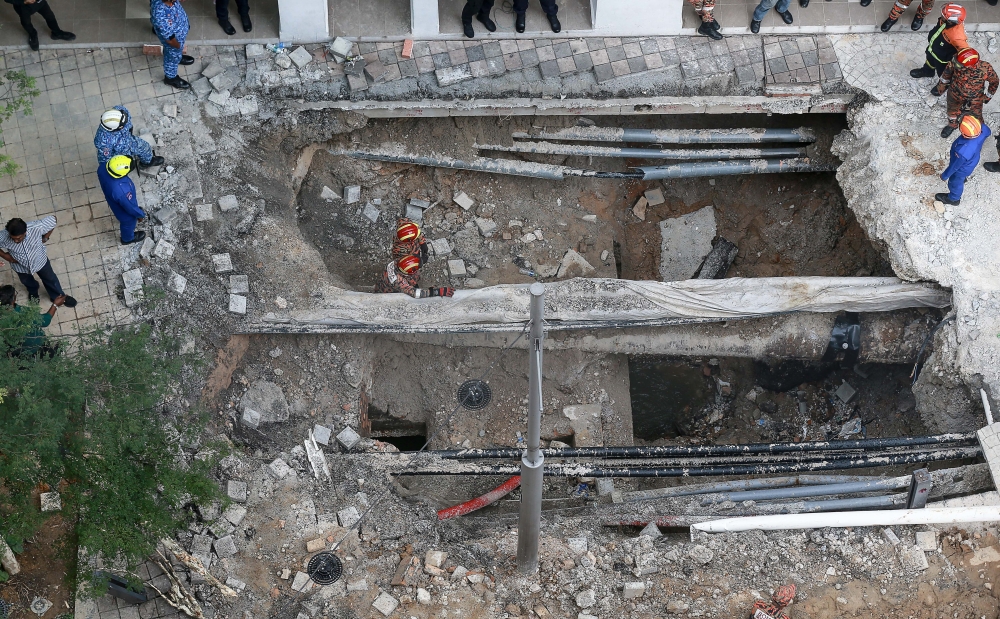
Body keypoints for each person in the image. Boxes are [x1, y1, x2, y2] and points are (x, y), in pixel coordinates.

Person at [0, 217, 75, 308]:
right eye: (13, 238)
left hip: (40, 261)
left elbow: (53, 220)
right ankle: (33, 293)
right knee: (27, 282)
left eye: (19, 238)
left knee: (50, 278)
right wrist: (5, 256)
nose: (15, 241)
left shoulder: (36, 227)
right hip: (20, 267)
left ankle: (58, 296)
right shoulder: (4, 236)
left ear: (25, 232)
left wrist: (45, 238)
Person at [932, 47, 997, 138]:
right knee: (952, 112)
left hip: (975, 97)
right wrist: (941, 89)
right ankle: (952, 125)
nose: (955, 63)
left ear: (970, 66)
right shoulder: (956, 61)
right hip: (955, 93)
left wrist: (987, 97)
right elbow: (946, 75)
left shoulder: (985, 68)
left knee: (976, 116)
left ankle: (978, 132)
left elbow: (994, 81)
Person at [936, 115, 991, 205]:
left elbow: (955, 166)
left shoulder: (962, 151)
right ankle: (962, 179)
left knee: (954, 182)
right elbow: (988, 132)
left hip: (962, 168)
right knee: (960, 177)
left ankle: (954, 199)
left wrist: (945, 175)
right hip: (972, 160)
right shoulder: (983, 129)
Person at [0, 284, 64, 358]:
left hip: (16, 347)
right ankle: (53, 356)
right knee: (46, 352)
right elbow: (45, 321)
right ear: (13, 300)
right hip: (33, 344)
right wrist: (55, 305)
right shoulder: (23, 313)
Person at [98, 156, 148, 246]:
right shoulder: (122, 190)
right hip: (123, 207)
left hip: (111, 197)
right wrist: (140, 214)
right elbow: (130, 207)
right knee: (129, 221)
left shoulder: (103, 167)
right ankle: (127, 239)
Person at [94, 106, 165, 169]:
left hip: (130, 141)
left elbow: (128, 123)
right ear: (115, 129)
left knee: (145, 147)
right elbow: (104, 158)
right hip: (120, 153)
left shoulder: (120, 111)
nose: (126, 121)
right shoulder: (103, 141)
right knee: (127, 165)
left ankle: (147, 162)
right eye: (123, 125)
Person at [910, 3, 968, 78]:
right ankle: (927, 72)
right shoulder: (945, 22)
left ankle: (941, 87)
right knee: (929, 62)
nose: (941, 16)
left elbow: (964, 53)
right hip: (933, 50)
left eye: (943, 15)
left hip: (942, 60)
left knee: (943, 74)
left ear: (950, 21)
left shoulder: (957, 36)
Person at [151, 0, 194, 89]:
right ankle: (171, 78)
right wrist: (178, 46)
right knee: (171, 58)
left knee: (176, 55)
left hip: (178, 35)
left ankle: (178, 57)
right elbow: (170, 39)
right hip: (174, 43)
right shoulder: (160, 13)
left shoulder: (171, 2)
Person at [2, 0, 75, 51]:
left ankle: (57, 33)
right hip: (23, 7)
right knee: (26, 22)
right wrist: (23, 1)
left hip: (40, 2)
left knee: (50, 15)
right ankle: (33, 35)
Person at [375, 255, 454, 299]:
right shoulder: (399, 282)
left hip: (381, 284)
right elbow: (416, 294)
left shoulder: (398, 262)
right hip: (387, 294)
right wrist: (437, 292)